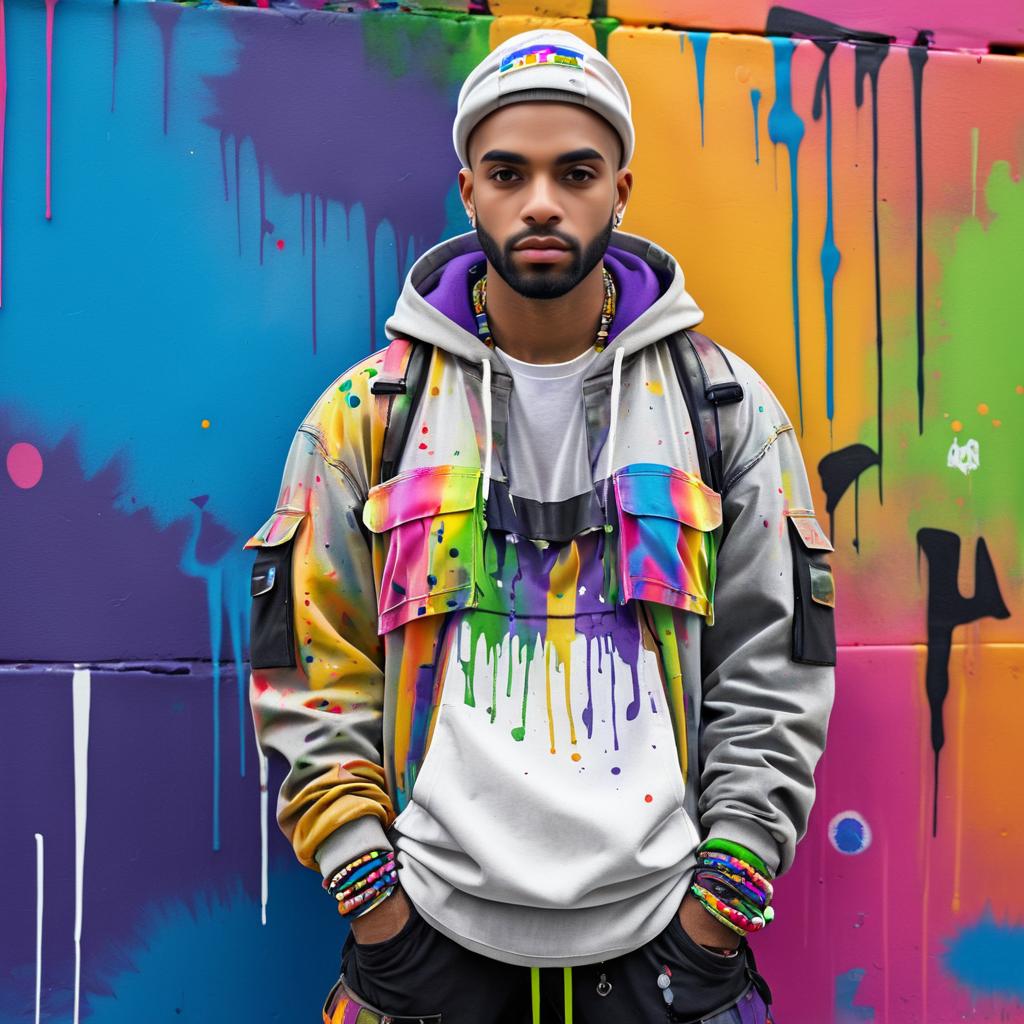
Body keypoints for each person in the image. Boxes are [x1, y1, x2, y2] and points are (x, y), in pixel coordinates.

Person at [247, 29, 835, 1024]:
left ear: (621, 188)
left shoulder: (724, 413)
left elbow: (774, 674)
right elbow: (307, 672)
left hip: (666, 954)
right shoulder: (366, 419)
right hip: (426, 944)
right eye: (507, 173)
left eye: (576, 172)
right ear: (468, 189)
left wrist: (718, 912)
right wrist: (373, 901)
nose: (541, 205)